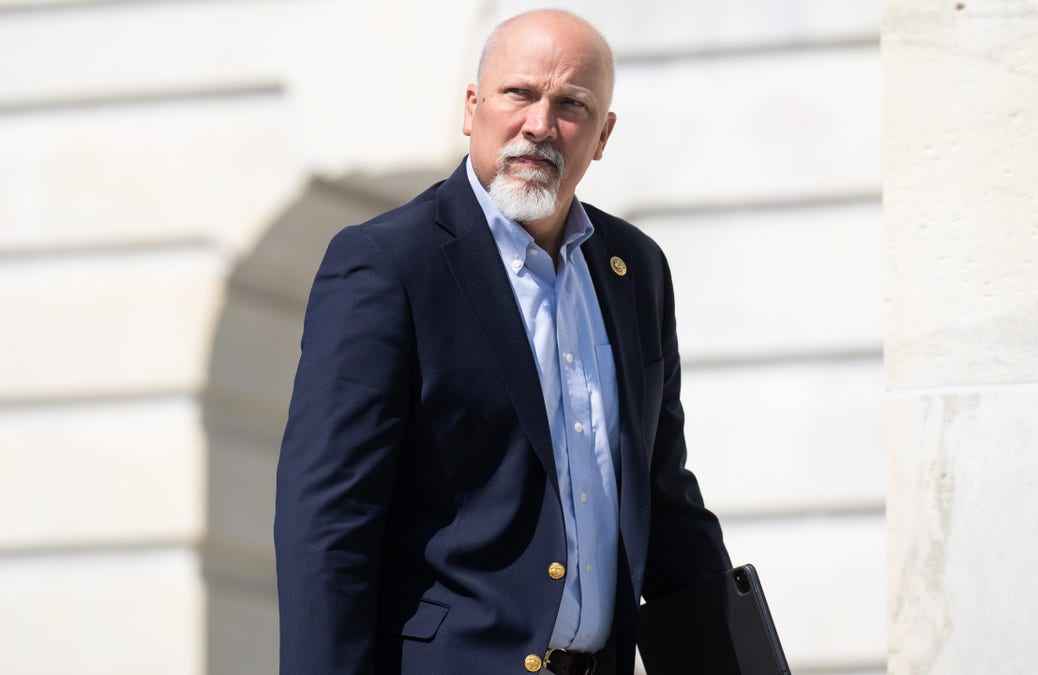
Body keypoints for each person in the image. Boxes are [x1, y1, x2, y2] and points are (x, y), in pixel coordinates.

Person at [274, 9, 729, 674]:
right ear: (472, 107)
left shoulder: (635, 269)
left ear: (601, 136)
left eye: (571, 104)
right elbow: (328, 523)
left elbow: (663, 503)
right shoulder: (387, 263)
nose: (540, 125)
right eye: (519, 93)